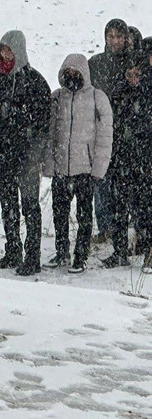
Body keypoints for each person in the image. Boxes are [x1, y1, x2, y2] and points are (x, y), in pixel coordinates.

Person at [0, 30, 52, 276]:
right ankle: (13, 250)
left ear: (19, 51)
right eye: (1, 50)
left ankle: (33, 257)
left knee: (30, 205)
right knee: (8, 204)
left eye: (9, 50)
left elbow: (44, 121)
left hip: (27, 155)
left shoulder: (35, 81)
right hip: (3, 153)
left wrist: (34, 149)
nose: (4, 55)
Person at [42, 54, 113, 274]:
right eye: (68, 73)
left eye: (76, 73)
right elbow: (50, 134)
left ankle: (80, 256)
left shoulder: (96, 98)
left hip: (85, 169)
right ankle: (62, 250)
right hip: (62, 168)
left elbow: (105, 136)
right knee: (59, 213)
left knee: (84, 215)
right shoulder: (57, 98)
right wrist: (49, 164)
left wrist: (99, 168)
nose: (72, 77)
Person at [103, 53, 152, 269]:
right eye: (129, 74)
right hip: (121, 159)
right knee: (118, 208)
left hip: (144, 160)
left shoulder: (148, 93)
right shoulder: (118, 92)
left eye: (137, 74)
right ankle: (120, 251)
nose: (133, 78)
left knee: (144, 208)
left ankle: (148, 250)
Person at [88, 19, 132, 243]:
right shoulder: (95, 63)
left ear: (126, 39)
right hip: (101, 134)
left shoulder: (134, 62)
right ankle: (105, 228)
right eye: (111, 36)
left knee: (126, 183)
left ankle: (126, 229)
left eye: (119, 36)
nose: (114, 41)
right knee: (101, 181)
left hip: (128, 133)